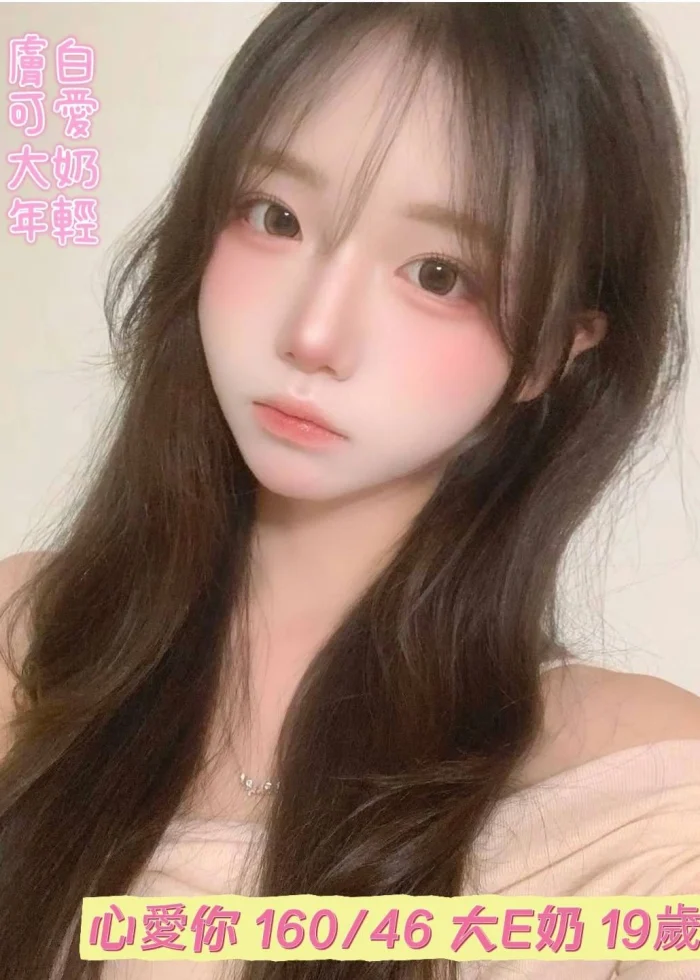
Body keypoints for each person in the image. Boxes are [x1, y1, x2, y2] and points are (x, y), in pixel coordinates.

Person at [0, 3, 699, 979]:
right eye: (275, 217)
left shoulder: (642, 807)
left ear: (556, 347)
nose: (313, 335)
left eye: (438, 274)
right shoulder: (26, 639)